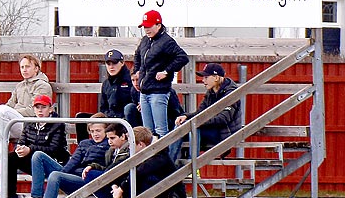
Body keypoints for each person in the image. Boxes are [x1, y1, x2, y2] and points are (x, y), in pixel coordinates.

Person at [132, 9, 189, 137]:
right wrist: (136, 72)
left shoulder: (167, 41)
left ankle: (162, 156)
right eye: (145, 27)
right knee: (147, 132)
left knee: (160, 130)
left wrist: (167, 71)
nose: (146, 30)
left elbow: (182, 57)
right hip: (144, 91)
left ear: (158, 25)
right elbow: (137, 55)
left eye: (149, 26)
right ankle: (150, 156)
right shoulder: (145, 40)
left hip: (159, 91)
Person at [34, 118, 108, 198]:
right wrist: (64, 174)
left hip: (88, 180)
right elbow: (72, 162)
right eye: (92, 131)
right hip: (73, 174)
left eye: (98, 131)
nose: (95, 134)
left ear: (106, 130)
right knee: (38, 156)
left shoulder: (109, 144)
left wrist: (61, 176)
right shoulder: (84, 143)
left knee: (55, 175)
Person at [6, 95, 67, 197]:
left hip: (52, 161)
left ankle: (36, 196)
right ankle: (10, 196)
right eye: (37, 107)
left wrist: (30, 149)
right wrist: (19, 149)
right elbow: (22, 141)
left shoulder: (58, 124)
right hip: (33, 159)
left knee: (37, 156)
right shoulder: (29, 123)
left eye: (43, 107)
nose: (40, 110)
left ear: (51, 109)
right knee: (11, 157)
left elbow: (54, 149)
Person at [176, 63, 242, 157]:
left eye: (206, 77)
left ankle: (192, 167)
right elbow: (200, 113)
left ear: (216, 77)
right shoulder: (211, 91)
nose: (203, 80)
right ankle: (179, 167)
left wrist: (198, 122)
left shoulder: (231, 93)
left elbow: (222, 119)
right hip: (213, 130)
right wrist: (186, 116)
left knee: (194, 129)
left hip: (225, 133)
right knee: (179, 130)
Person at [99, 50, 138, 129]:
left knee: (129, 108)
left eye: (114, 63)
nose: (111, 67)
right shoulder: (106, 83)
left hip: (128, 120)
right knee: (81, 116)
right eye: (108, 64)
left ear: (122, 63)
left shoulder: (132, 80)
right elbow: (103, 107)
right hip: (110, 120)